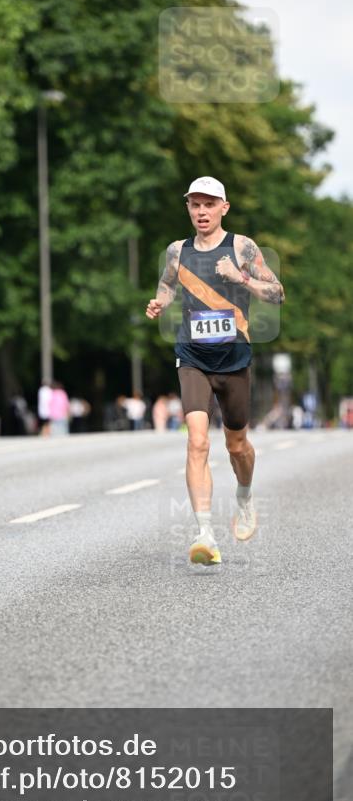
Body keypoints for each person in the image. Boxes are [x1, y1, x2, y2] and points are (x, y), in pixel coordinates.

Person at [146, 175, 285, 568]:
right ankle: (204, 532)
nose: (202, 212)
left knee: (237, 445)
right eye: (195, 204)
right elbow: (167, 284)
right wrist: (159, 302)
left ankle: (243, 495)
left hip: (234, 357)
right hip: (192, 355)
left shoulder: (242, 247)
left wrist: (240, 277)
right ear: (188, 208)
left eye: (209, 204)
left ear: (224, 207)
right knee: (197, 442)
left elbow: (277, 293)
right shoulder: (177, 250)